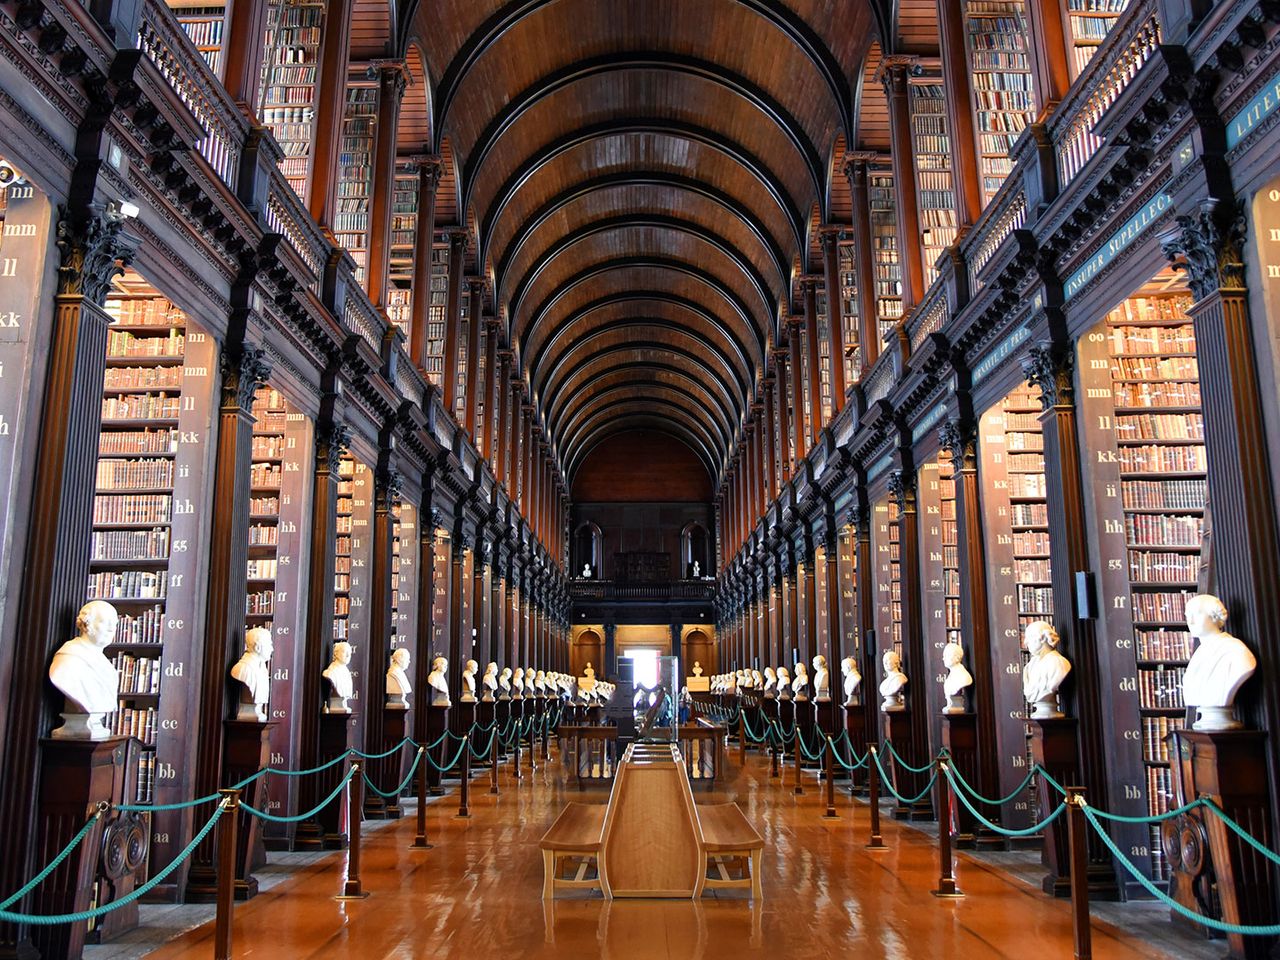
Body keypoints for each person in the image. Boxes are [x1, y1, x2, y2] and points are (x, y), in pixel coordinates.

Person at [1183, 594, 1257, 730]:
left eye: (1197, 614)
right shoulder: (1198, 654)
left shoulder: (1235, 651)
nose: (1191, 621)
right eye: (1188, 615)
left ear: (1214, 616)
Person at [49, 600, 120, 739]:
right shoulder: (70, 658)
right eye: (105, 622)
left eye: (115, 623)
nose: (112, 628)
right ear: (87, 624)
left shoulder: (107, 665)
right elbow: (62, 676)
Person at [1023, 622, 1070, 719]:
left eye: (1030, 637)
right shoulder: (1030, 666)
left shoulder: (1058, 663)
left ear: (1043, 638)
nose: (1025, 642)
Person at [231, 627, 273, 721]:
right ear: (258, 648)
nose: (272, 649)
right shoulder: (243, 669)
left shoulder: (262, 668)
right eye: (269, 645)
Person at [322, 641, 354, 713]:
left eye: (350, 653)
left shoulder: (347, 672)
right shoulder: (330, 673)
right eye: (344, 651)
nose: (348, 655)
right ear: (336, 653)